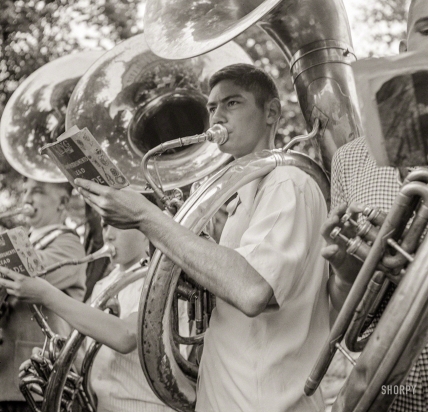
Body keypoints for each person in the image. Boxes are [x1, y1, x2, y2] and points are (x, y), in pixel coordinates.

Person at [72, 64, 330, 412]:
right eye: (211, 108)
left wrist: (147, 218)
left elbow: (251, 289)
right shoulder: (244, 195)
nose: (217, 116)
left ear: (271, 113)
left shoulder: (287, 182)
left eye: (232, 103)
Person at [322, 0, 428, 411]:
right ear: (405, 45)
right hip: (387, 388)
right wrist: (346, 271)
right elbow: (339, 314)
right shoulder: (350, 159)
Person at [0, 224, 174, 412]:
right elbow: (88, 356)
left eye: (119, 226)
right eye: (105, 225)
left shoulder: (160, 279)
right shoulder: (104, 284)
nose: (108, 235)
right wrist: (55, 366)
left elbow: (126, 336)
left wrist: (46, 295)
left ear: (145, 231)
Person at [0, 179, 86, 412]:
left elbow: (34, 269)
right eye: (25, 190)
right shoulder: (23, 240)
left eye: (37, 191)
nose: (27, 198)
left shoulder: (69, 244)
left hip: (37, 385)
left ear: (63, 202)